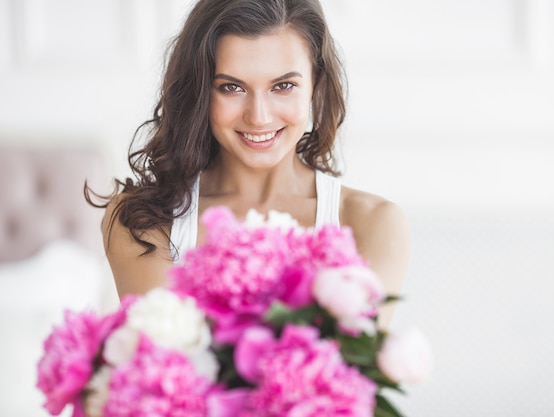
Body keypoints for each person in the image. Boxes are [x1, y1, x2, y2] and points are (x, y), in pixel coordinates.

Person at [87, 0, 410, 327]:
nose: (259, 116)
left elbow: (350, 371)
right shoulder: (142, 224)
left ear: (316, 84)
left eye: (283, 86)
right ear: (200, 92)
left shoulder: (372, 223)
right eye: (231, 87)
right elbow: (165, 365)